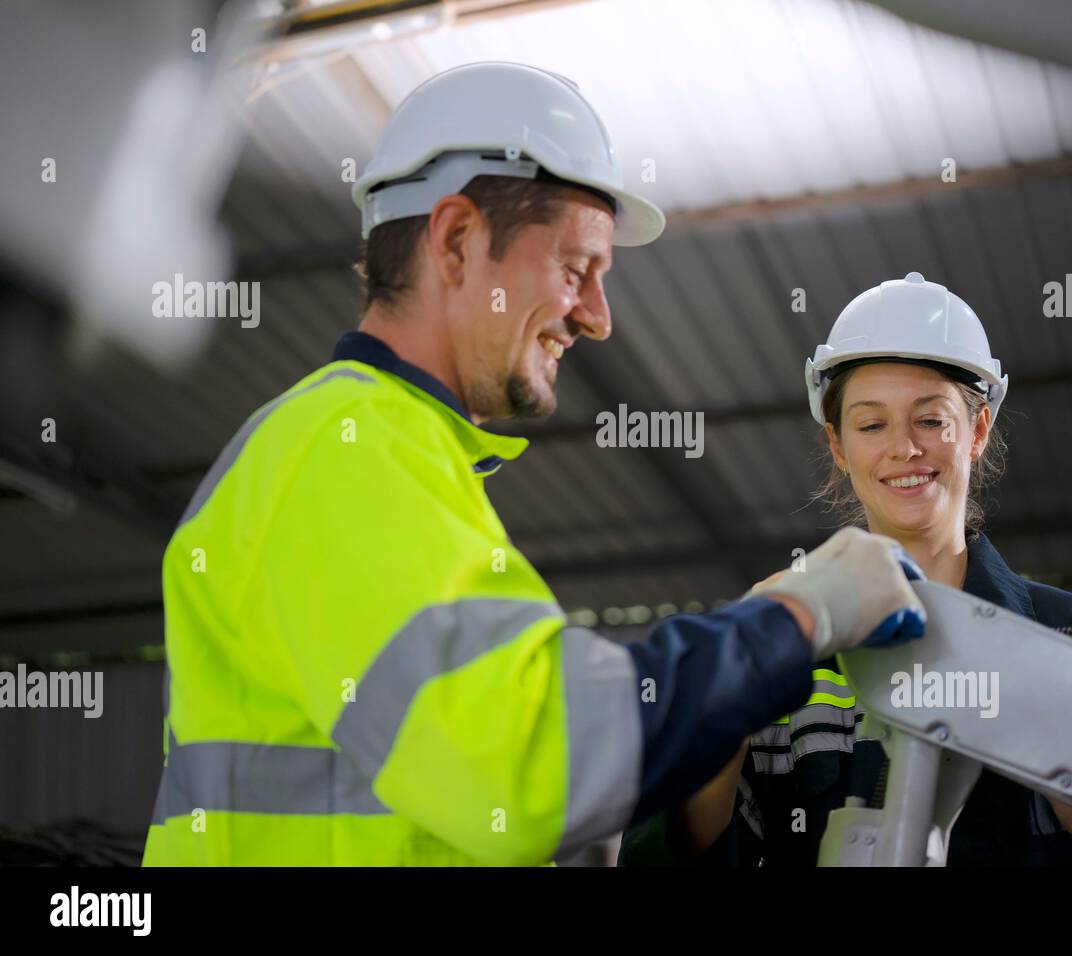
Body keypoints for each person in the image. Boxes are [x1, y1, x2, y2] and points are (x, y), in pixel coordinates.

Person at [141, 63, 927, 866]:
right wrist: (801, 616)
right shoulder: (346, 447)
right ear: (455, 240)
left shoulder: (384, 452)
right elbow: (528, 758)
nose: (597, 317)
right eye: (576, 269)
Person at [619, 272, 1072, 867]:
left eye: (931, 419)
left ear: (977, 430)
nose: (904, 450)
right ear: (839, 447)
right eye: (871, 425)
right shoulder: (786, 648)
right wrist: (729, 697)